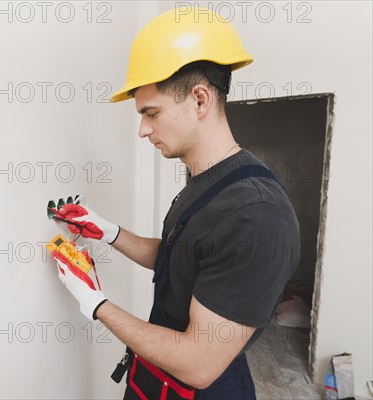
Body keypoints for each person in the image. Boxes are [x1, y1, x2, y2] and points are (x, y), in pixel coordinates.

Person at [48, 6, 300, 400]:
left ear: (200, 100)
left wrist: (95, 302)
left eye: (151, 113)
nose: (143, 129)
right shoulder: (205, 182)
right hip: (152, 377)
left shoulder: (256, 214)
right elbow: (176, 257)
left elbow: (199, 365)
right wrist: (108, 231)